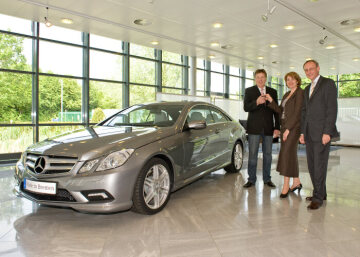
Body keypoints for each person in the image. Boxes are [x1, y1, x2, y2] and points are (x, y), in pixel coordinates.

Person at [300, 60, 339, 210]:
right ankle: (320, 193)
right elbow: (304, 112)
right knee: (312, 165)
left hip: (322, 133)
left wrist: (327, 132)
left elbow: (332, 109)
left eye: (311, 69)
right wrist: (302, 132)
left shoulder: (327, 84)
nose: (309, 72)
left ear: (318, 68)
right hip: (309, 133)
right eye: (306, 70)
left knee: (319, 165)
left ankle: (318, 198)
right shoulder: (306, 88)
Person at [265, 72, 304, 198]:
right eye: (288, 80)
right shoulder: (287, 94)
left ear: (297, 80)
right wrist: (271, 101)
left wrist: (288, 130)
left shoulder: (300, 93)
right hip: (285, 127)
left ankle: (286, 185)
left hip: (293, 128)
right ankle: (296, 181)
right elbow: (281, 111)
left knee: (286, 154)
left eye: (292, 79)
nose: (290, 82)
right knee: (290, 154)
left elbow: (298, 113)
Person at [243, 69, 280, 188]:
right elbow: (246, 107)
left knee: (268, 155)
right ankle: (251, 179)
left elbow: (276, 111)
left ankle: (267, 179)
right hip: (254, 128)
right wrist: (257, 102)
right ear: (255, 78)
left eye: (262, 77)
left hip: (269, 128)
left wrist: (277, 127)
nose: (260, 79)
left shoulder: (273, 92)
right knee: (253, 154)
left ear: (266, 78)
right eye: (258, 77)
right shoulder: (249, 91)